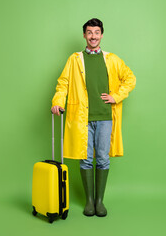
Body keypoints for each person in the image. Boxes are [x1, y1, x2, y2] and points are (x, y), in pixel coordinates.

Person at [51, 18, 136, 217]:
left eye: (96, 32)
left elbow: (130, 78)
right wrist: (57, 101)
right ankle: (89, 201)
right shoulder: (75, 59)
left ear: (102, 35)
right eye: (89, 32)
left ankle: (100, 201)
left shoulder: (112, 59)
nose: (93, 36)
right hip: (82, 118)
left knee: (103, 159)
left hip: (106, 116)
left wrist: (116, 96)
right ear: (84, 35)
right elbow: (63, 83)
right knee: (86, 159)